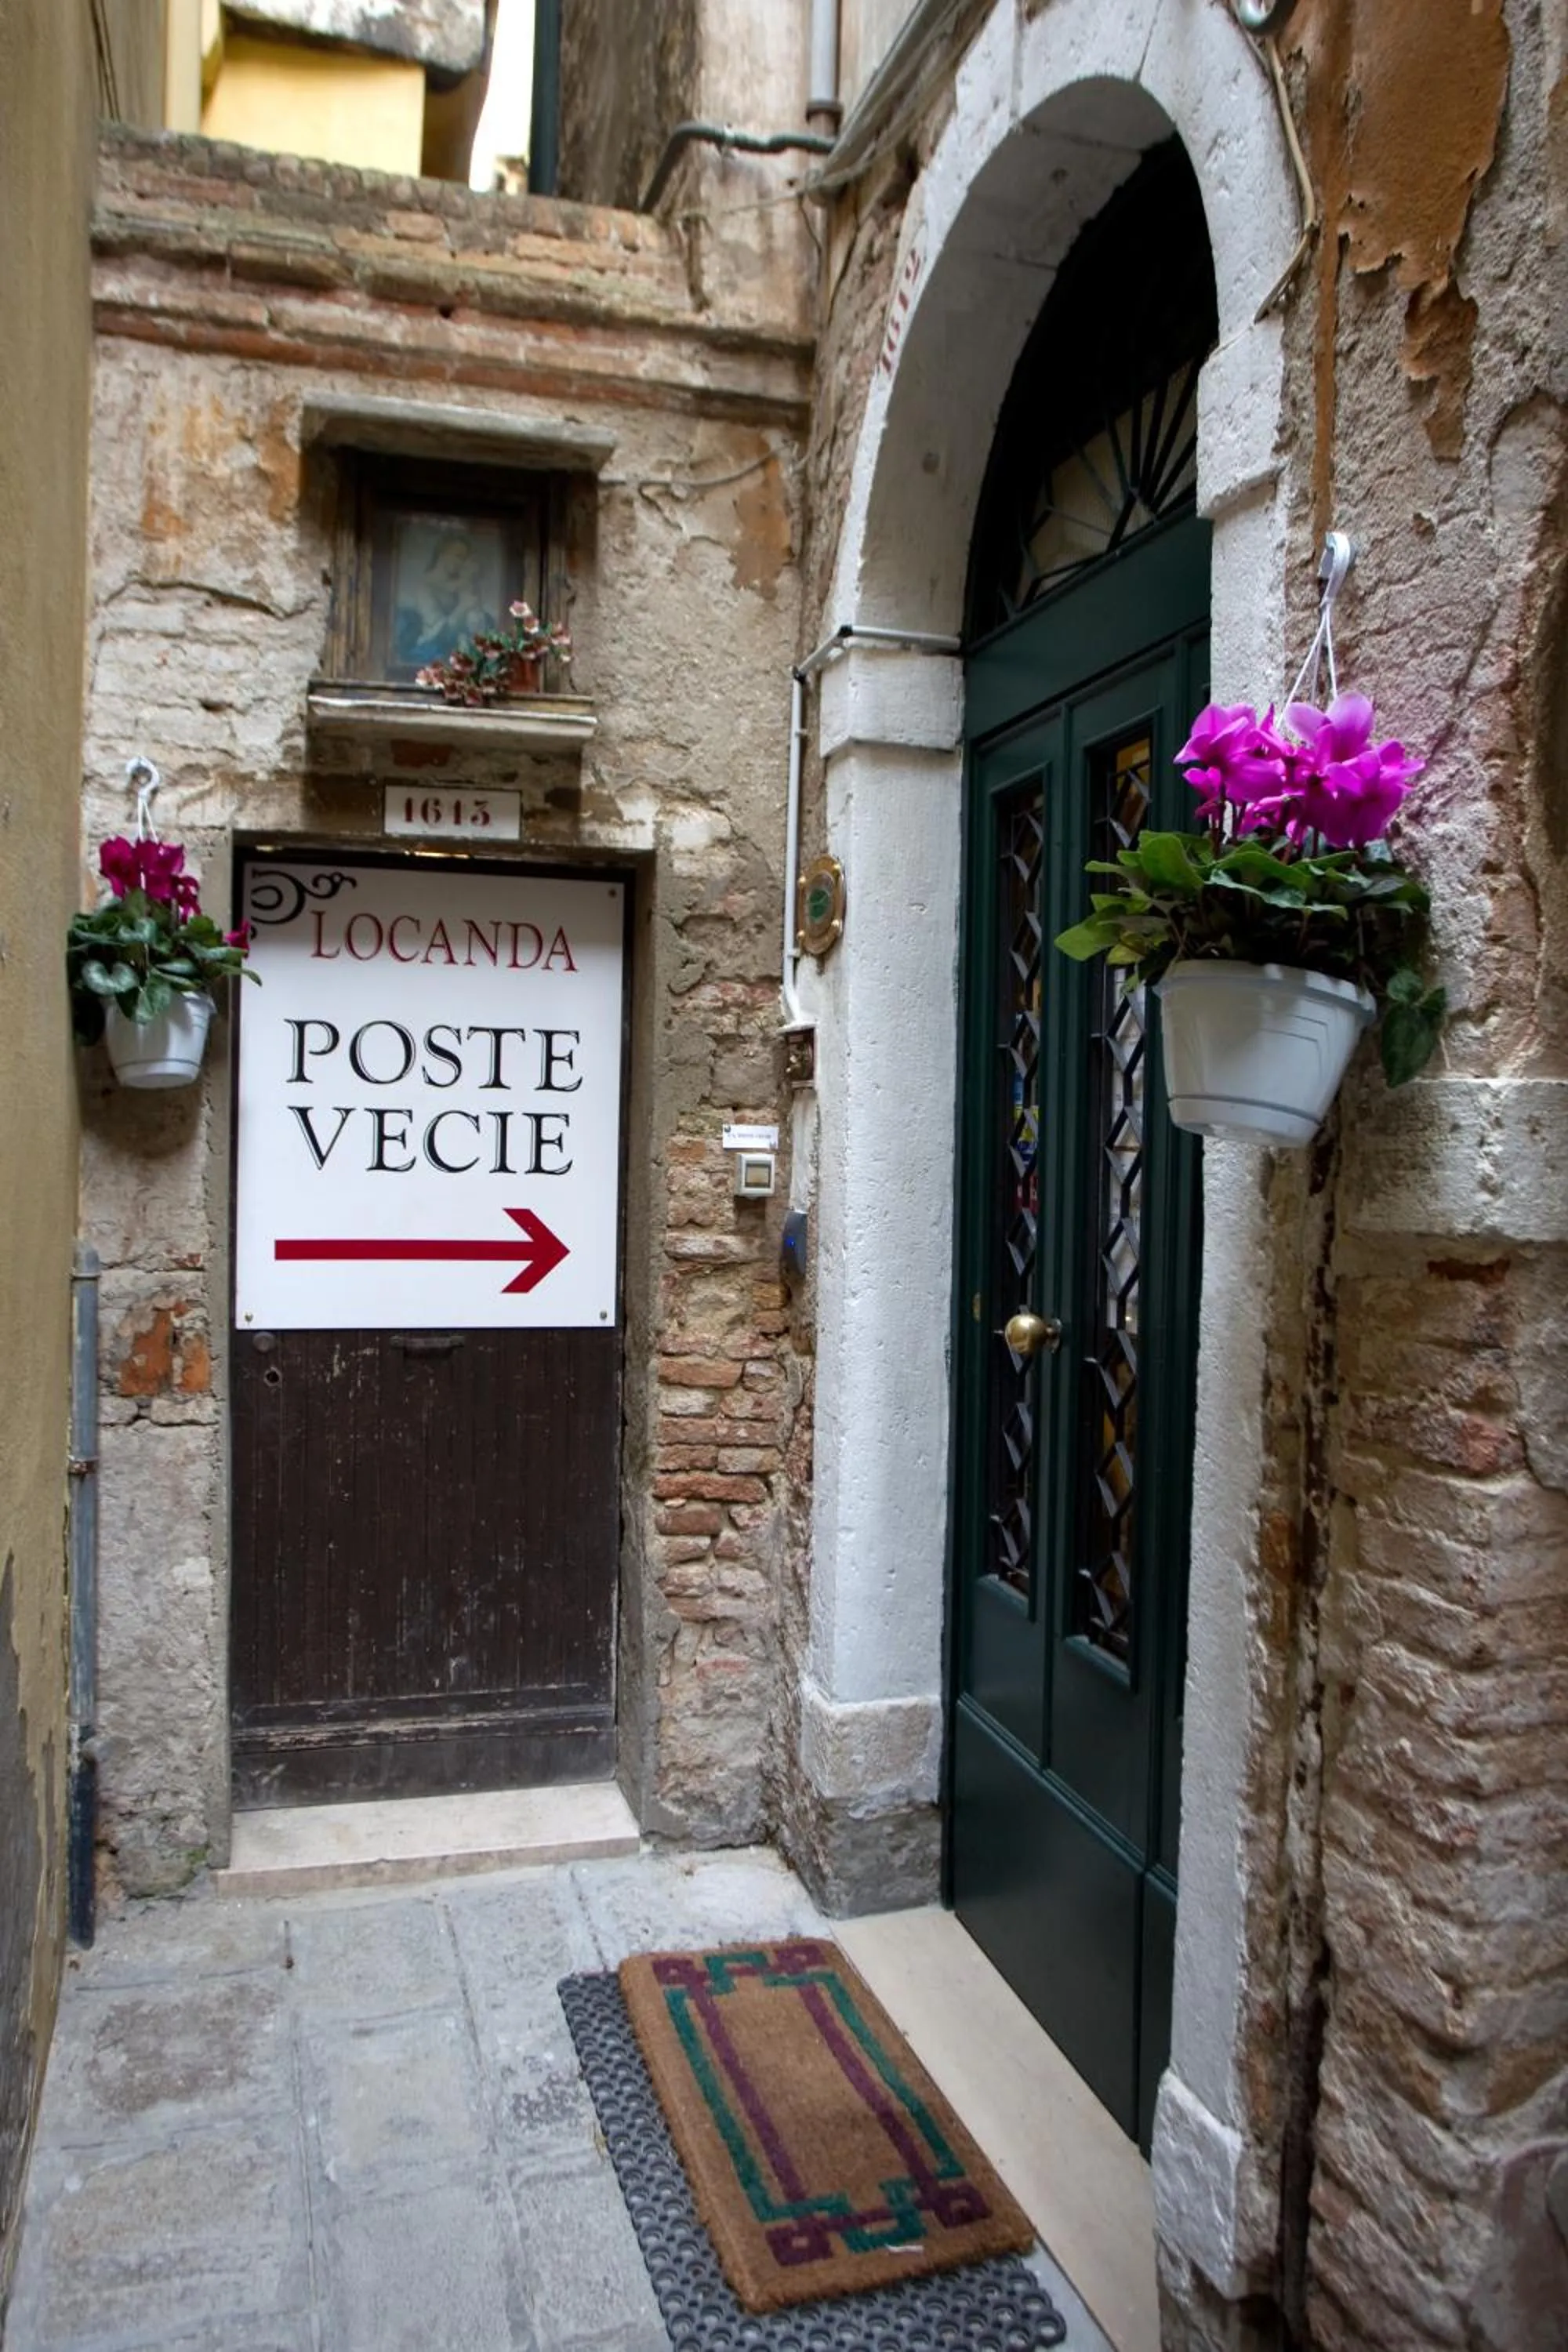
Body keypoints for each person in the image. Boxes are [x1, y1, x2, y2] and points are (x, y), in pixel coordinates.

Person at [394, 527, 497, 671]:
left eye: (464, 558)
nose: (460, 562)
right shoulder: (425, 586)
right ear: (442, 552)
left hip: (455, 650)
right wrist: (462, 608)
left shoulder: (461, 585)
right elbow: (440, 634)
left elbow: (472, 625)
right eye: (457, 555)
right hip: (431, 648)